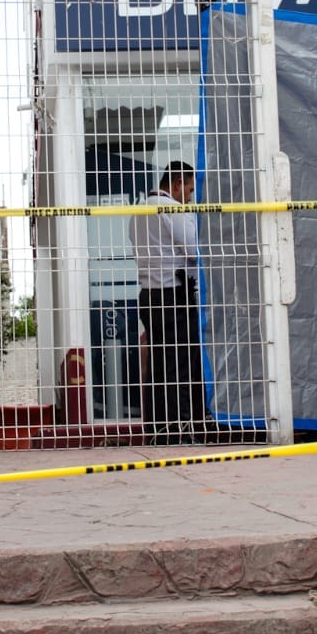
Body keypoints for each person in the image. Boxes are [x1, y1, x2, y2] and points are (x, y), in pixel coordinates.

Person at [129, 161, 210, 444]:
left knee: (157, 367)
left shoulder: (138, 211)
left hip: (148, 296)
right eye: (187, 189)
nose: (188, 196)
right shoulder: (171, 210)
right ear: (175, 184)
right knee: (180, 367)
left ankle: (157, 430)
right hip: (172, 296)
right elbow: (194, 249)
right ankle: (181, 430)